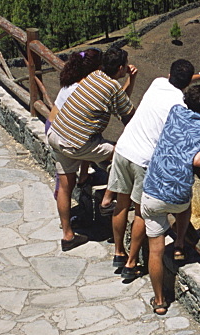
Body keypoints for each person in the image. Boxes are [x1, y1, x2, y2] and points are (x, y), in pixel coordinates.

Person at [99, 60, 200, 276]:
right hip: (144, 159)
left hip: (123, 148)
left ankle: (118, 252)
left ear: (170, 73)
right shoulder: (180, 106)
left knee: (121, 204)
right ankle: (131, 263)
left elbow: (178, 77)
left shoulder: (157, 82)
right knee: (141, 213)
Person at [140, 83, 200, 314]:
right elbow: (197, 161)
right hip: (178, 195)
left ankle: (159, 301)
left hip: (152, 189)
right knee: (184, 208)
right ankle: (180, 244)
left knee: (155, 250)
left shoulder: (175, 110)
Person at [47, 46, 136, 252]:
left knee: (65, 185)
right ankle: (108, 200)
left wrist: (128, 83)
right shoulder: (112, 87)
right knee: (121, 152)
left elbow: (116, 101)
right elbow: (129, 116)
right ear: (121, 68)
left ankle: (68, 235)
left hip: (57, 133)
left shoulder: (93, 76)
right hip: (77, 143)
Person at [46, 48, 102, 186]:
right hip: (62, 131)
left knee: (64, 175)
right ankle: (83, 177)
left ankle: (81, 177)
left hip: (52, 124)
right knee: (66, 178)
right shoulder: (84, 88)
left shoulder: (71, 80)